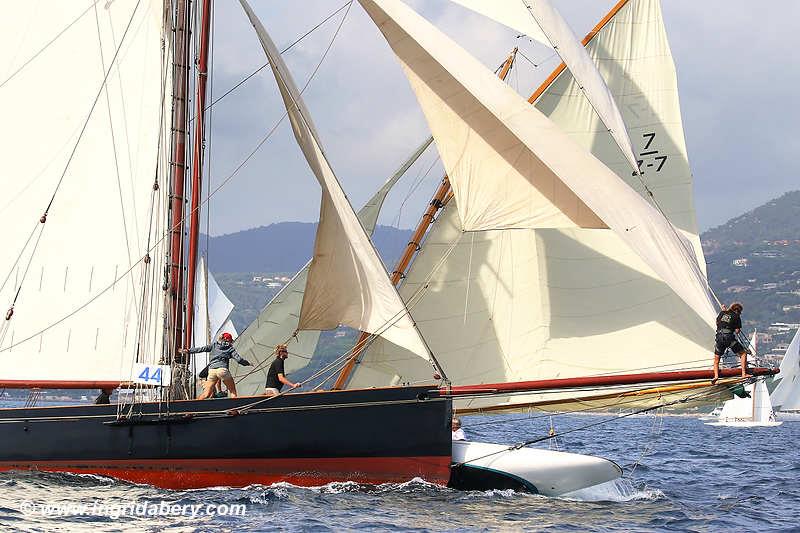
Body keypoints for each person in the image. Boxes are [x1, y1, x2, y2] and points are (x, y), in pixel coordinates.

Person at [180, 332, 251, 399]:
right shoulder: (230, 348)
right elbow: (239, 360)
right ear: (229, 340)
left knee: (206, 394)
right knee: (232, 391)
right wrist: (248, 363)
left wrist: (188, 351)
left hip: (211, 371)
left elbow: (201, 349)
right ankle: (233, 411)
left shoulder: (213, 346)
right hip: (222, 370)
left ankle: (193, 408)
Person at [712, 302, 750, 383]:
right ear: (738, 311)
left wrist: (723, 311)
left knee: (716, 359)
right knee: (743, 353)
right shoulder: (736, 316)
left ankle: (716, 376)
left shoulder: (722, 313)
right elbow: (737, 331)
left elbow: (717, 322)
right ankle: (743, 373)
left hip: (719, 337)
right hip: (729, 338)